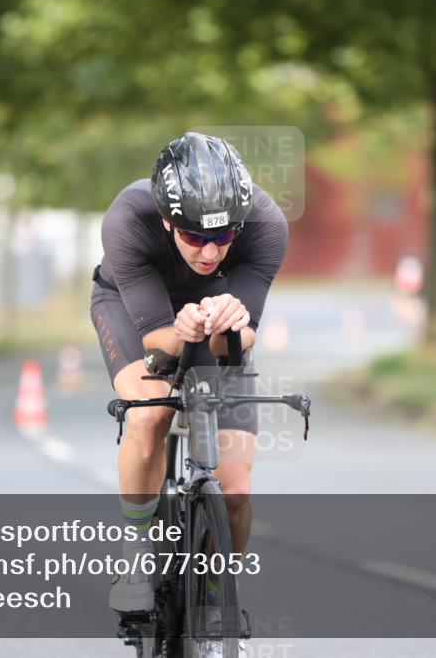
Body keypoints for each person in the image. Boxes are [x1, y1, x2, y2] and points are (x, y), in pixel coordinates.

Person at [91, 132, 288, 616]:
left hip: (221, 321)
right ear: (167, 221)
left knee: (236, 490)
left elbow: (232, 349)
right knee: (150, 415)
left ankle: (218, 591)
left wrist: (228, 321)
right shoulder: (127, 220)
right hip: (135, 310)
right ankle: (136, 555)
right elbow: (159, 342)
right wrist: (180, 330)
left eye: (223, 237)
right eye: (194, 236)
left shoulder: (266, 225)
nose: (210, 253)